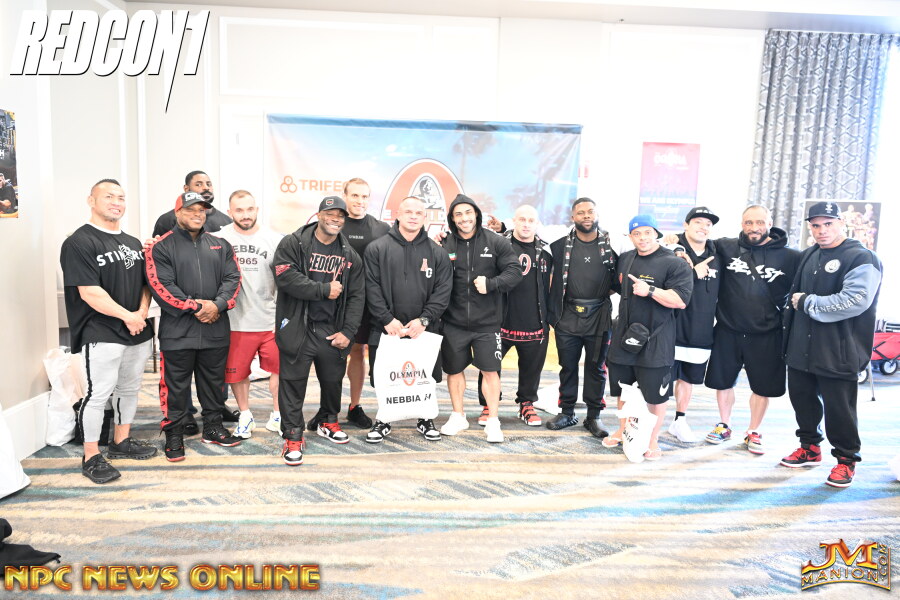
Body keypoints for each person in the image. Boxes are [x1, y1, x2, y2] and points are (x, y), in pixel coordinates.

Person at [60, 179, 157, 483]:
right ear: (91, 201)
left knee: (129, 388)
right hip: (100, 330)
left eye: (121, 197)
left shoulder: (132, 242)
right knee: (98, 393)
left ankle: (121, 441)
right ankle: (91, 455)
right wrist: (128, 316)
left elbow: (145, 285)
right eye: (109, 196)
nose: (116, 202)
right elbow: (89, 292)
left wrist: (140, 313)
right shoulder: (79, 242)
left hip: (136, 328)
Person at [780, 201, 882, 488]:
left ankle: (846, 460)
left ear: (842, 223)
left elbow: (855, 300)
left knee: (840, 409)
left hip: (838, 349)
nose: (821, 230)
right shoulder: (809, 254)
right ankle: (810, 447)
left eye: (828, 224)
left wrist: (807, 302)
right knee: (802, 401)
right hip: (801, 346)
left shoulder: (862, 257)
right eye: (815, 225)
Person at [145, 192, 243, 461]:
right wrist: (198, 307)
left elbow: (233, 279)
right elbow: (162, 286)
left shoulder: (221, 245)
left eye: (201, 210)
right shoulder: (160, 247)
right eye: (190, 210)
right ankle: (174, 434)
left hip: (215, 328)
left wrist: (217, 305)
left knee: (213, 383)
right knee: (175, 387)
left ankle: (213, 427)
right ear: (177, 213)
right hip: (178, 332)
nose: (197, 215)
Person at [272, 196, 364, 465]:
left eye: (340, 216)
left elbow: (357, 296)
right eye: (330, 214)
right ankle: (293, 435)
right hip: (298, 326)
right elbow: (285, 277)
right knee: (292, 384)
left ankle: (328, 420)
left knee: (333, 380)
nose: (336, 219)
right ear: (319, 215)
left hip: (331, 329)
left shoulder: (349, 255)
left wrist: (348, 331)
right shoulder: (294, 243)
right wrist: (323, 290)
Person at [703, 205, 799, 454]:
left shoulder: (791, 257)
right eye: (748, 223)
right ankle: (724, 424)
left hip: (767, 332)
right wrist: (677, 242)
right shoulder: (726, 247)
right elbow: (697, 242)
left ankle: (754, 430)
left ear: (770, 223)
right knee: (723, 382)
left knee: (762, 387)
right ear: (742, 224)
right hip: (728, 329)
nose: (754, 228)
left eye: (759, 222)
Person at [363, 196, 452, 442]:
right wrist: (386, 319)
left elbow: (443, 291)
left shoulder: (437, 252)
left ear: (425, 217)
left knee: (423, 378)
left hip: (423, 329)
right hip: (386, 328)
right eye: (408, 212)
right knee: (386, 377)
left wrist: (424, 320)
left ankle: (425, 418)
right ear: (398, 215)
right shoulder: (376, 248)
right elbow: (370, 287)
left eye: (418, 213)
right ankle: (383, 420)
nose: (413, 216)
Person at [604, 215, 692, 460]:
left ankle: (652, 438)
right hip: (625, 336)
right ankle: (623, 430)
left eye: (647, 232)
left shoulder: (674, 263)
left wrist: (650, 290)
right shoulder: (626, 259)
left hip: (657, 340)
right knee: (624, 390)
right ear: (630, 236)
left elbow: (681, 300)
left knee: (655, 395)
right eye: (637, 234)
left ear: (656, 233)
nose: (642, 238)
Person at [438, 194, 521, 443]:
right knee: (454, 370)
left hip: (487, 323)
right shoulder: (445, 243)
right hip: (453, 322)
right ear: (452, 219)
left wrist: (492, 284)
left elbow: (515, 271)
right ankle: (458, 416)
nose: (464, 218)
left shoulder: (495, 241)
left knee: (490, 371)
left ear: (476, 214)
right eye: (458, 214)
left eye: (468, 212)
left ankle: (493, 421)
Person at [546, 198, 617, 437]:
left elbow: (620, 277)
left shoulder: (611, 246)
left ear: (597, 215)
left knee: (596, 367)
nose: (586, 215)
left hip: (599, 316)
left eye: (590, 211)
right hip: (567, 315)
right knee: (567, 366)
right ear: (573, 217)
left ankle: (594, 416)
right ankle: (567, 412)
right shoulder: (558, 247)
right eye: (581, 212)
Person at [476, 205, 551, 427]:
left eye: (531, 220)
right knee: (489, 365)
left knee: (531, 367)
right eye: (522, 219)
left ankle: (526, 404)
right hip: (499, 319)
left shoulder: (547, 250)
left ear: (537, 224)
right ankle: (489, 404)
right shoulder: (498, 245)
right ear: (514, 221)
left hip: (534, 320)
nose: (526, 224)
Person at [216, 190, 284, 438]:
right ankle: (245, 415)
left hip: (269, 319)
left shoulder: (274, 239)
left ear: (257, 209)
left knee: (281, 371)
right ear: (230, 212)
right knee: (238, 373)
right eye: (239, 210)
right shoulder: (219, 238)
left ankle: (278, 415)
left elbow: (285, 279)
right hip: (235, 322)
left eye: (249, 209)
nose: (245, 215)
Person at [662, 207, 721, 443]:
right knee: (659, 379)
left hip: (700, 329)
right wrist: (692, 272)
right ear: (686, 225)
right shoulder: (670, 250)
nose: (703, 227)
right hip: (670, 327)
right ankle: (648, 422)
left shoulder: (718, 253)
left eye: (708, 224)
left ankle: (679, 420)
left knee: (687, 379)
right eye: (697, 222)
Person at [336, 177, 389, 433]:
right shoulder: (333, 224)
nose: (360, 201)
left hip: (371, 303)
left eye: (364, 196)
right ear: (345, 196)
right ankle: (328, 408)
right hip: (337, 302)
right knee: (334, 355)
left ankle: (354, 406)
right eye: (355, 195)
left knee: (358, 351)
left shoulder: (382, 228)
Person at [152, 170, 233, 237]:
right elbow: (157, 248)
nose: (206, 187)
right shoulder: (167, 220)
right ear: (186, 189)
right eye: (198, 184)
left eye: (209, 184)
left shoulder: (226, 221)